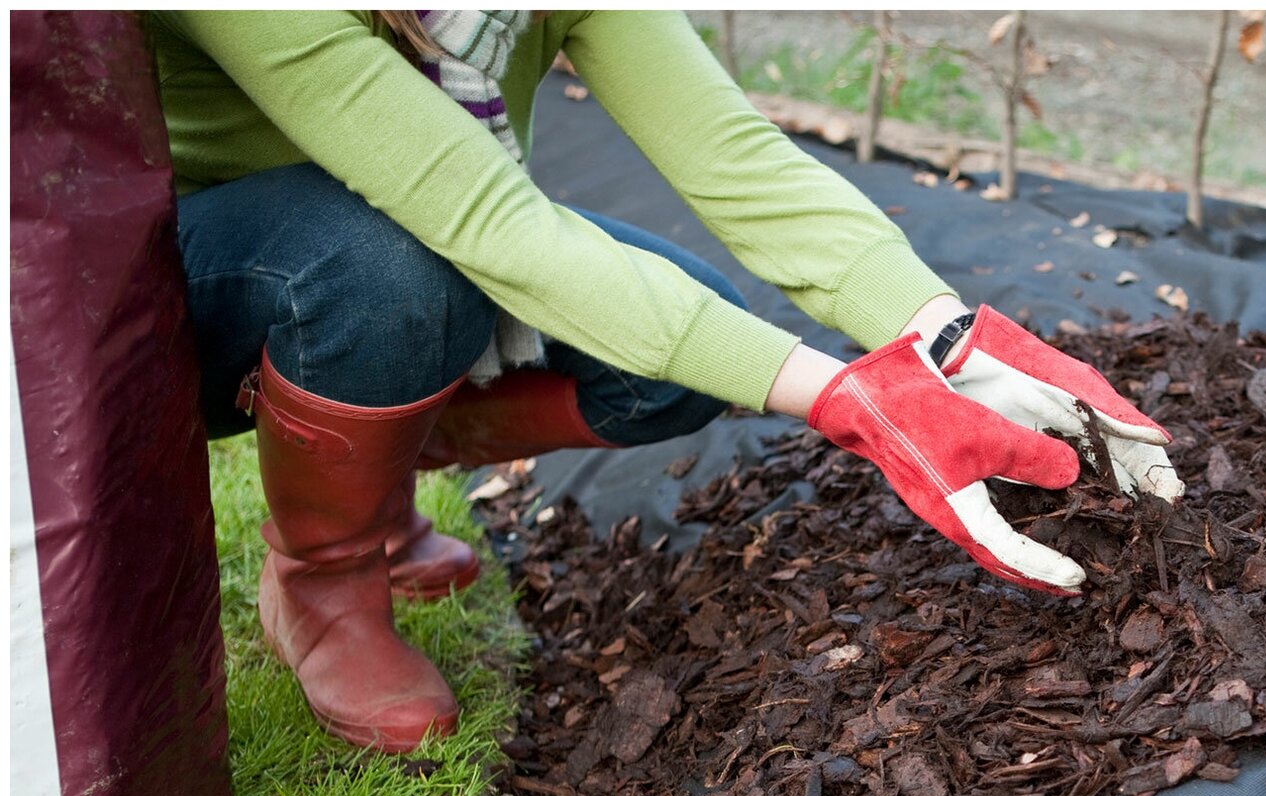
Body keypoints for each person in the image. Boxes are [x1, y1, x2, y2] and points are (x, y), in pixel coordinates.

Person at [149, 11, 1186, 754]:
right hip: (200, 293)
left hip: (420, 233)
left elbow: (736, 160)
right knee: (391, 270)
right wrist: (847, 398)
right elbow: (488, 228)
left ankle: (373, 458)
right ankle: (321, 578)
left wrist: (950, 339)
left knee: (676, 364)